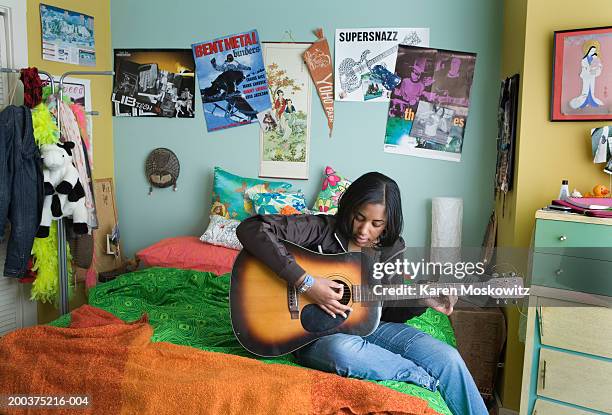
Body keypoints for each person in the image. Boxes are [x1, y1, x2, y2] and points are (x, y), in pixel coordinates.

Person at [236, 172, 488, 415]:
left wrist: (420, 299)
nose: (364, 230)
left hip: (373, 326)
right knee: (342, 351)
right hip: (313, 334)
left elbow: (388, 311)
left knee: (448, 358)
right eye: (359, 217)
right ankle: (420, 378)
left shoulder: (392, 248)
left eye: (376, 224)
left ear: (388, 223)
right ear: (349, 208)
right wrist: (306, 283)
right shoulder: (319, 228)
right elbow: (251, 229)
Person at [570, 41, 604, 110]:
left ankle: (592, 101)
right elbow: (584, 67)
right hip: (586, 76)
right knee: (586, 89)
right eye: (591, 50)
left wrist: (597, 68)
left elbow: (599, 65)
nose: (593, 52)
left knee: (591, 88)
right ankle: (584, 103)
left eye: (594, 51)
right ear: (588, 50)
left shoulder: (595, 58)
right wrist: (589, 70)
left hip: (592, 76)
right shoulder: (584, 60)